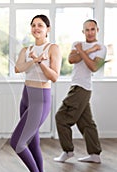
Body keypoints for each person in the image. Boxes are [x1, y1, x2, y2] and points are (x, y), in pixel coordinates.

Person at [10, 15, 62, 172]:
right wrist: (33, 59)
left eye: (40, 25)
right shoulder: (27, 49)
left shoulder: (53, 48)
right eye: (33, 25)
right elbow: (18, 68)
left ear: (48, 28)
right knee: (32, 142)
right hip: (26, 96)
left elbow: (54, 77)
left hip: (41, 98)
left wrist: (40, 63)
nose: (36, 28)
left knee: (16, 142)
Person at [54, 19, 106, 164]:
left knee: (61, 117)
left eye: (92, 29)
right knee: (86, 122)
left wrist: (82, 51)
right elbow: (71, 59)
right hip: (76, 86)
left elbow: (93, 68)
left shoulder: (101, 48)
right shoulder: (77, 44)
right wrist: (88, 51)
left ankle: (68, 151)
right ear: (83, 31)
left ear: (97, 30)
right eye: (87, 30)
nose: (90, 32)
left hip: (82, 87)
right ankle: (95, 154)